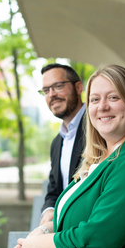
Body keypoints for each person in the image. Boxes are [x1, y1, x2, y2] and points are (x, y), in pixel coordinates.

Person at [14, 64, 125, 248]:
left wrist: (38, 246)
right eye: (95, 100)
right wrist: (42, 231)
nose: (102, 106)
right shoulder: (100, 160)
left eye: (114, 97)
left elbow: (97, 239)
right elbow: (79, 217)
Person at [39, 64, 86, 225]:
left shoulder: (100, 128)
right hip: (63, 236)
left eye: (58, 86)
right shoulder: (57, 142)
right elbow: (54, 191)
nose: (52, 95)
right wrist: (49, 210)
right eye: (46, 90)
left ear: (78, 87)